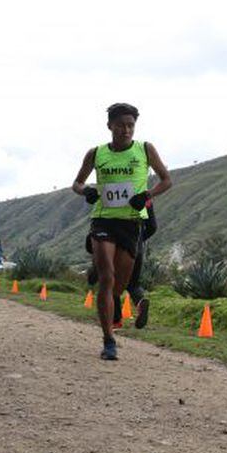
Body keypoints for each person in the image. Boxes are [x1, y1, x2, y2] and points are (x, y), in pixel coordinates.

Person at [72, 102, 172, 360]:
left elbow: (166, 180)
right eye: (120, 125)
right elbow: (77, 183)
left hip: (131, 222)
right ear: (110, 126)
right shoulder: (96, 153)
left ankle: (114, 309)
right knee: (107, 277)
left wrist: (147, 195)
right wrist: (86, 191)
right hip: (103, 220)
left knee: (118, 286)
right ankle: (109, 341)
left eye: (130, 125)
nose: (126, 130)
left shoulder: (145, 149)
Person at [87, 200, 158, 330]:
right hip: (135, 247)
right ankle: (141, 302)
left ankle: (116, 320)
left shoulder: (110, 194)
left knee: (112, 282)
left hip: (114, 245)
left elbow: (99, 220)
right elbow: (152, 227)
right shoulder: (143, 197)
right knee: (133, 284)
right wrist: (138, 239)